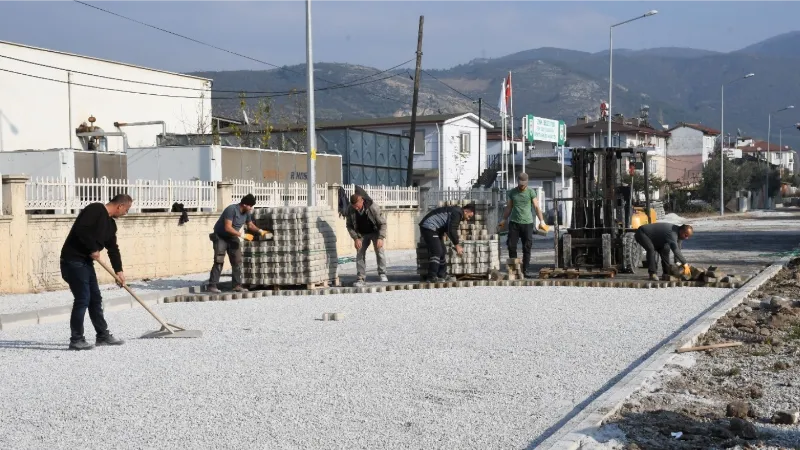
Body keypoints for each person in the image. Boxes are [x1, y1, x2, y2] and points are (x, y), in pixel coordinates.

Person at [60, 194, 133, 351]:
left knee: (95, 299)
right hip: (72, 261)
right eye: (126, 210)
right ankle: (76, 339)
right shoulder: (95, 209)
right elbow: (81, 230)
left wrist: (119, 271)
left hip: (85, 263)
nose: (126, 213)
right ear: (119, 206)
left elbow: (113, 248)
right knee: (83, 299)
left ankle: (102, 336)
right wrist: (92, 248)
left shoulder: (111, 225)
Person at [207, 194, 268, 293]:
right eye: (250, 205)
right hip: (220, 236)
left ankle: (236, 285)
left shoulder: (247, 212)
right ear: (244, 204)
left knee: (237, 261)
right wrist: (242, 236)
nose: (251, 208)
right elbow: (227, 227)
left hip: (233, 237)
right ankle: (212, 285)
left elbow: (250, 225)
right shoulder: (231, 210)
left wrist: (260, 231)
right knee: (219, 261)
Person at [499, 172, 549, 277]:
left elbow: (536, 207)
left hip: (527, 224)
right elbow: (509, 207)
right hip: (514, 223)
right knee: (511, 246)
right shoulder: (512, 192)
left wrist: (542, 221)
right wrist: (504, 219)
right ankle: (514, 270)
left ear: (527, 182)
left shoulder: (531, 192)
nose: (522, 186)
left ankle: (525, 270)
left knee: (527, 247)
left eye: (524, 184)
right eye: (520, 183)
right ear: (518, 181)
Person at [418, 203, 475, 282]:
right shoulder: (457, 213)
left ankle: (442, 274)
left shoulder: (457, 212)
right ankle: (431, 276)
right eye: (469, 216)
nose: (468, 219)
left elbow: (449, 228)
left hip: (436, 230)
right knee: (437, 251)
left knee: (443, 251)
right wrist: (457, 245)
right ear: (466, 211)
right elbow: (452, 230)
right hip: (429, 227)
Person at [346, 193, 388, 286]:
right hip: (361, 234)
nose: (356, 208)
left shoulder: (373, 207)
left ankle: (382, 273)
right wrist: (355, 238)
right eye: (354, 207)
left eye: (357, 206)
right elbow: (349, 226)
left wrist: (380, 237)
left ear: (362, 201)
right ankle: (360, 277)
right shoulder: (350, 209)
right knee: (359, 253)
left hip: (375, 231)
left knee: (379, 251)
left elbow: (383, 224)